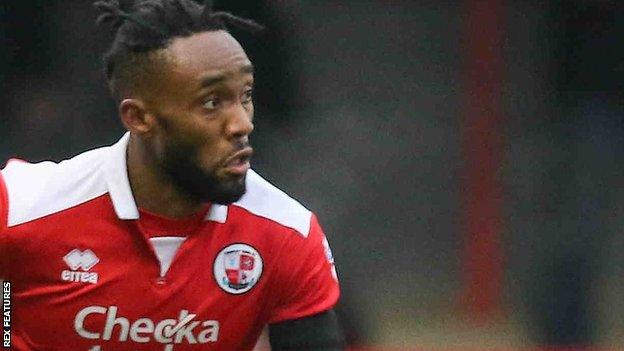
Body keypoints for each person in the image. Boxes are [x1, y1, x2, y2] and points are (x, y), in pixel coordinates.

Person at [0, 0, 344, 350]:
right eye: (211, 102)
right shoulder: (20, 208)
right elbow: (6, 311)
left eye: (246, 95)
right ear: (138, 118)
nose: (243, 123)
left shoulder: (287, 234)